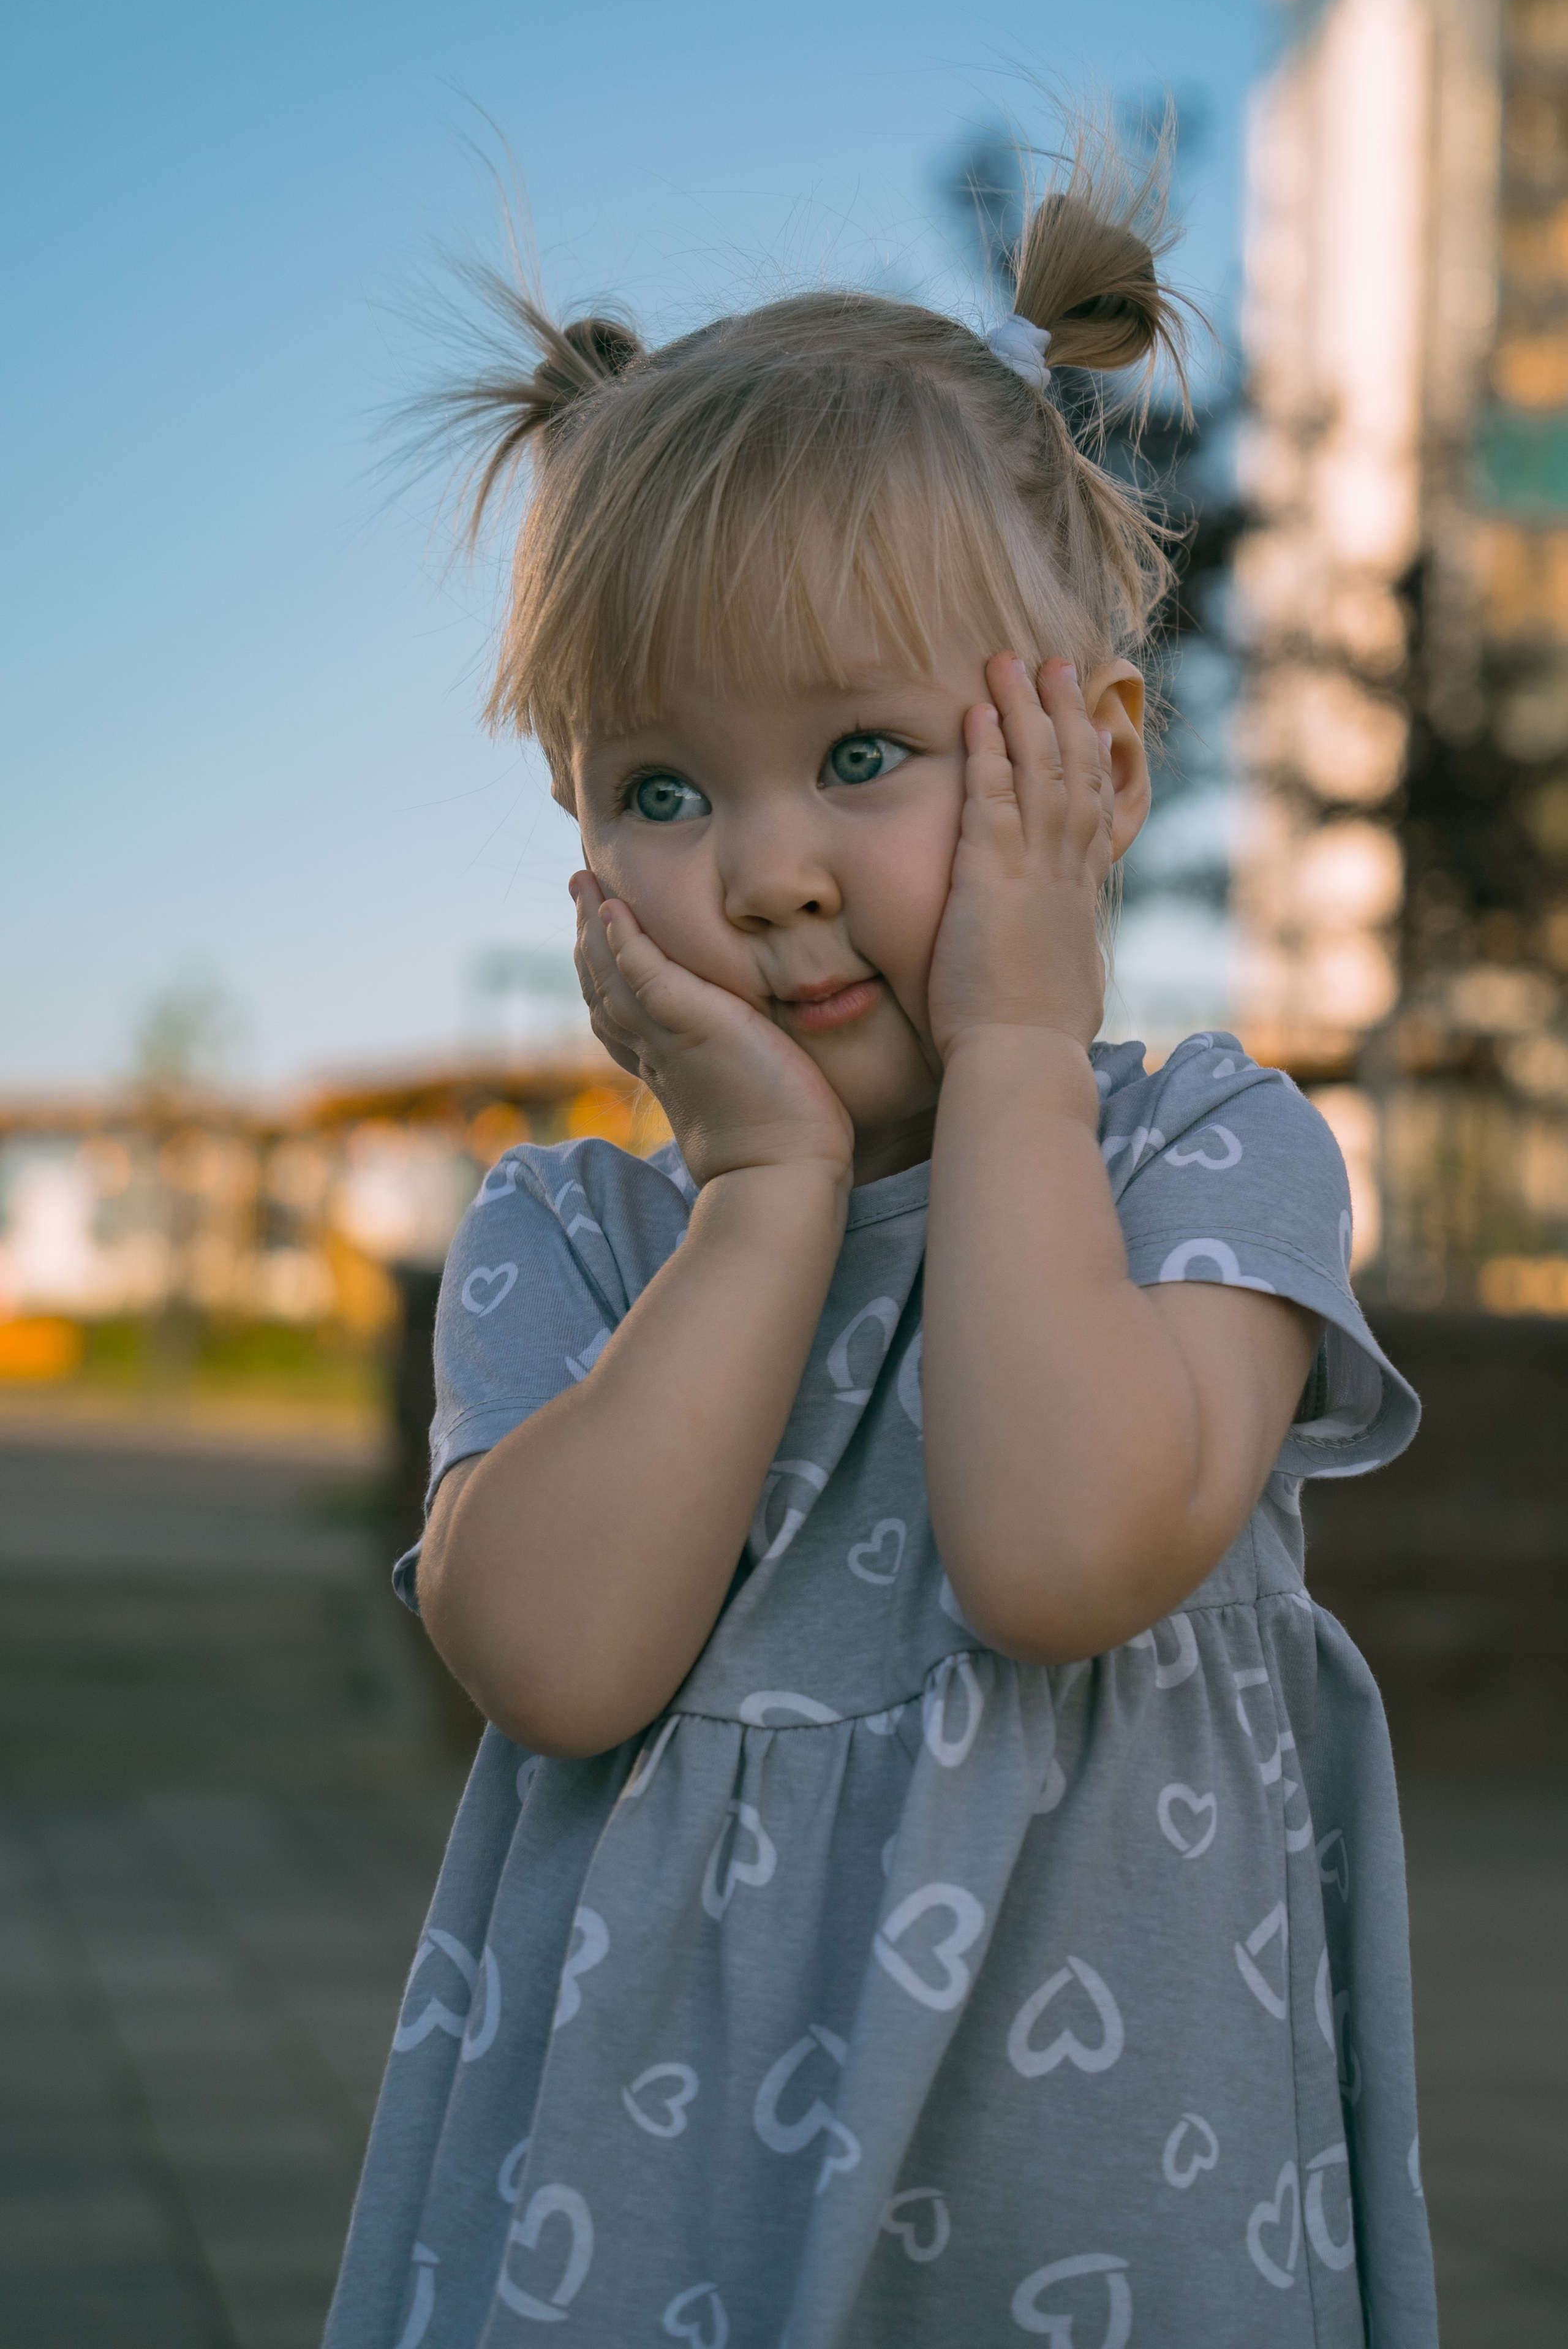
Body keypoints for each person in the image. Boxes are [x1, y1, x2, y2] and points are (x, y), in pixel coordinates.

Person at [325, 123, 1438, 2349]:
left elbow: (1058, 1555)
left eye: (860, 752)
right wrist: (763, 1201)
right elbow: (549, 1664)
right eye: (660, 790)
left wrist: (1023, 1047)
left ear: (1096, 776)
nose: (759, 870)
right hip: (655, 2240)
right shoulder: (582, 1237)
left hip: (1103, 2241)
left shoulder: (1206, 1162)